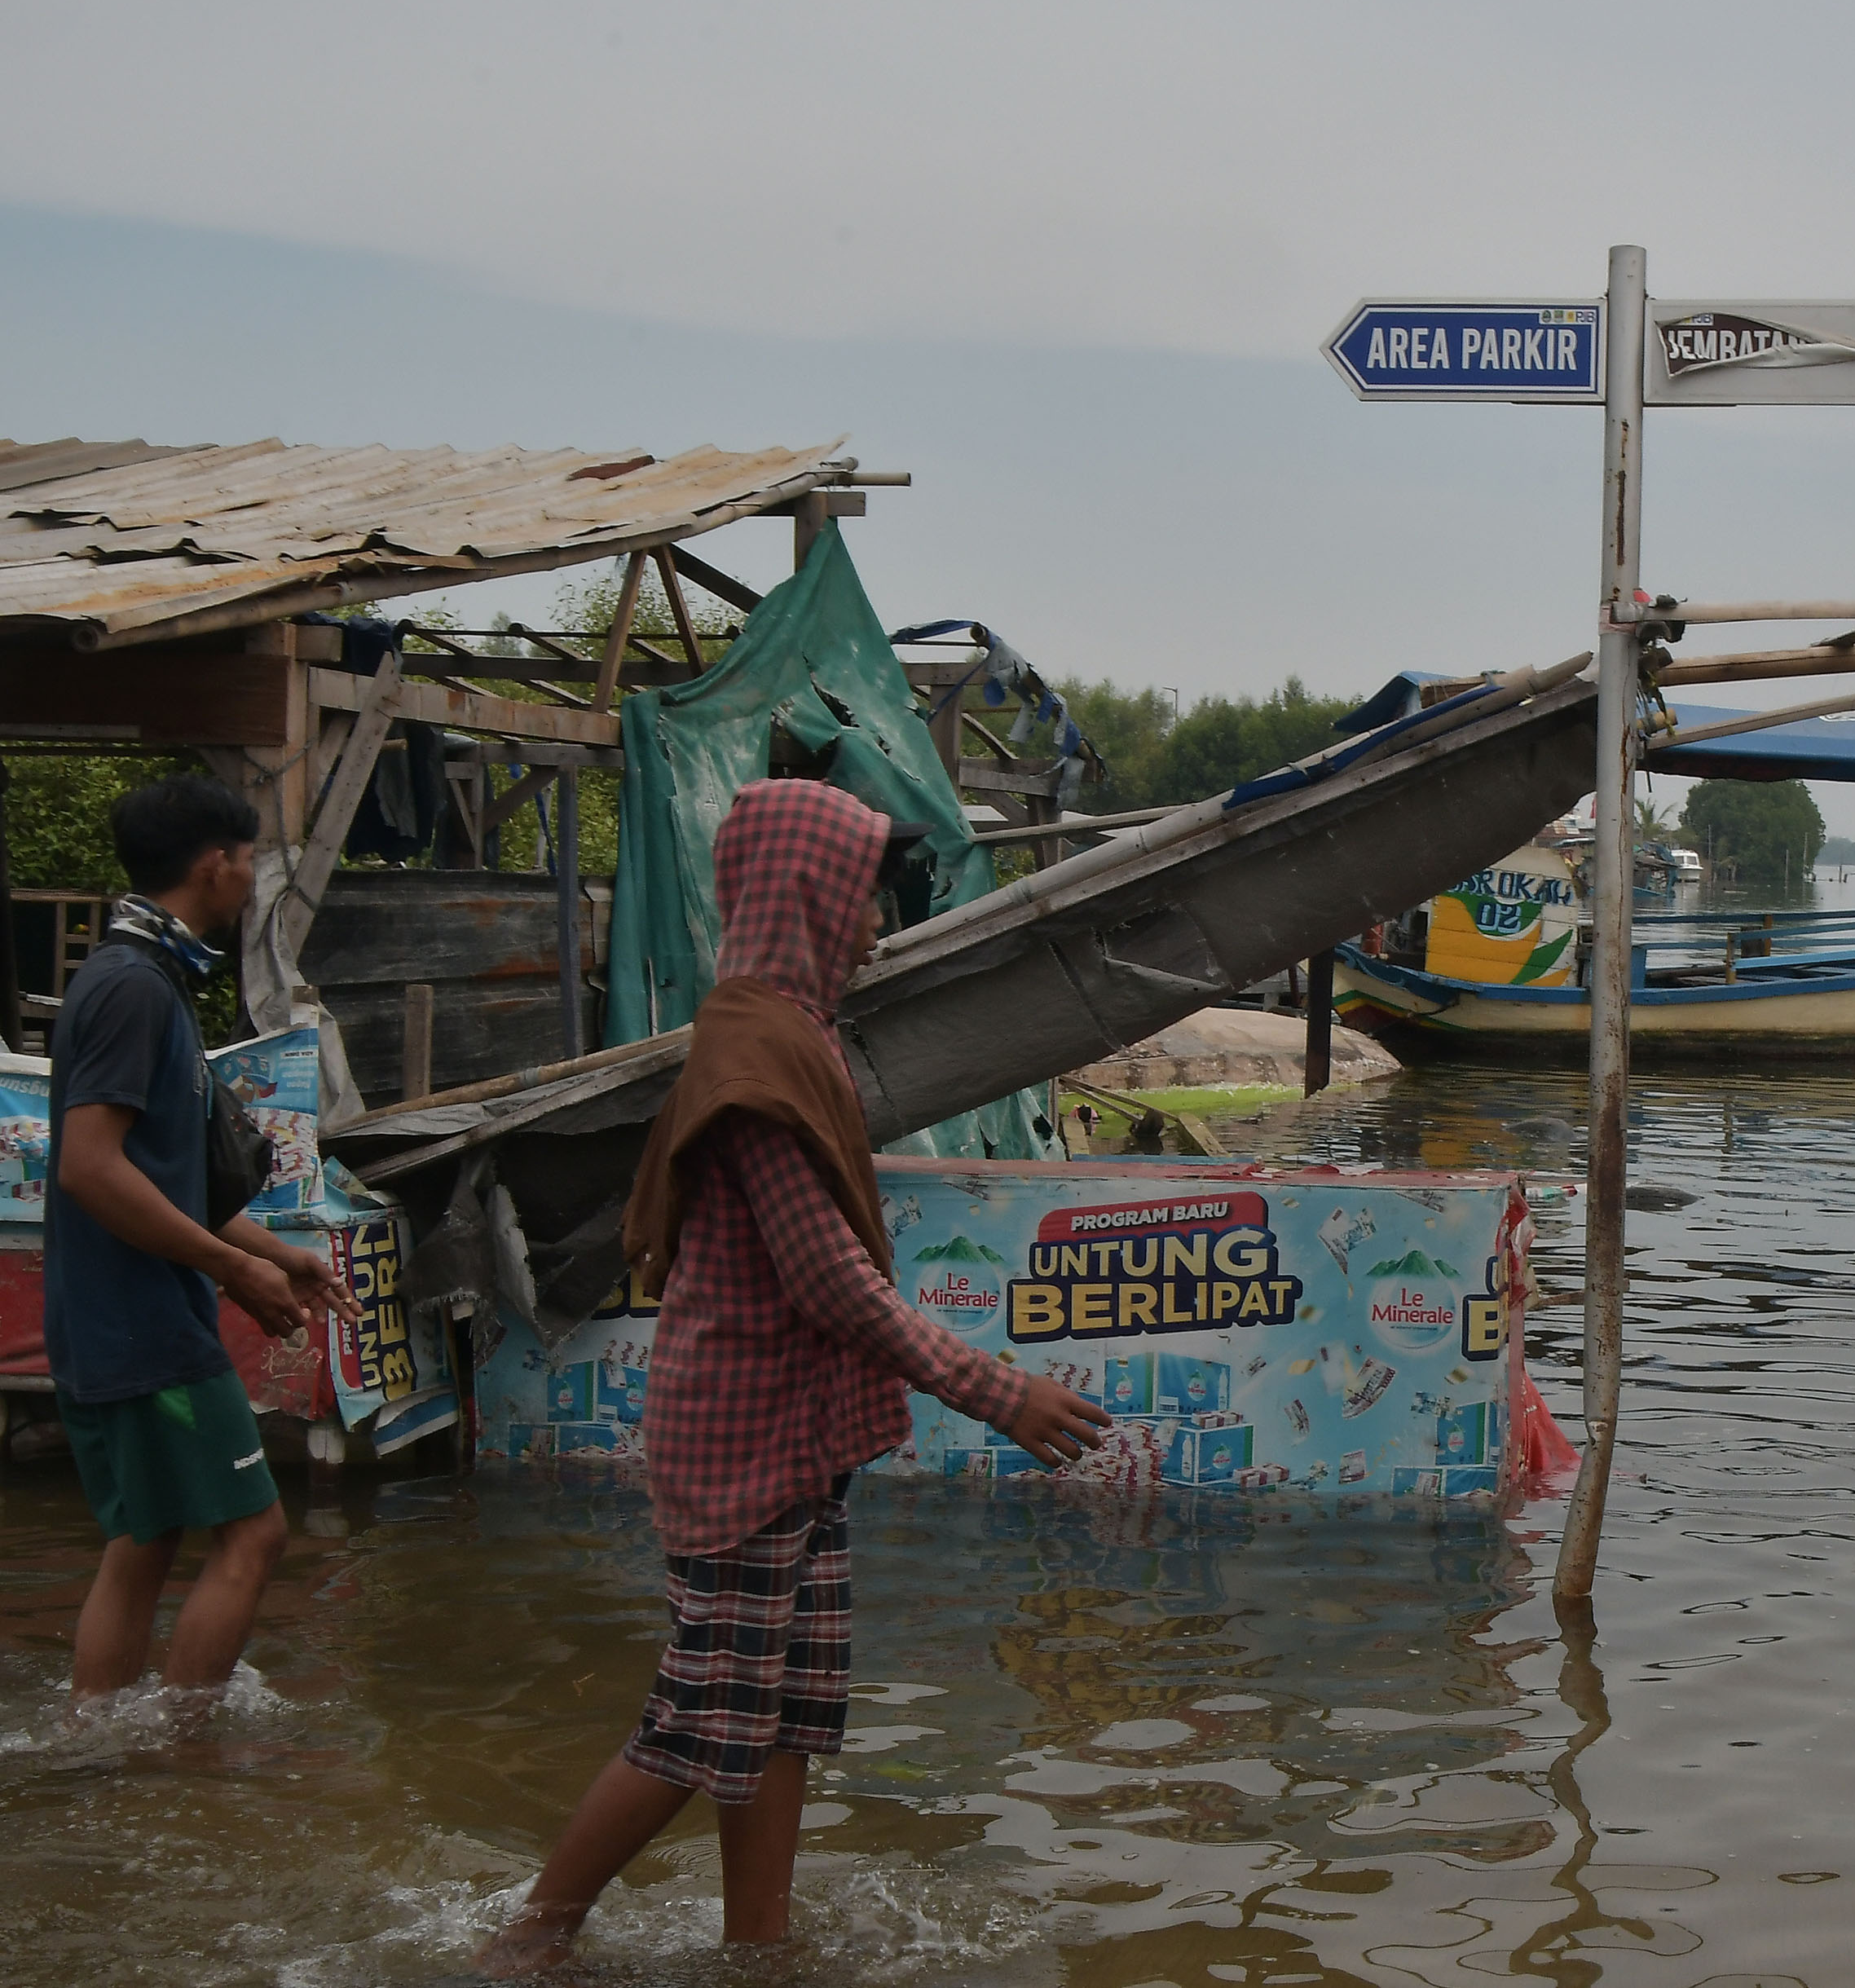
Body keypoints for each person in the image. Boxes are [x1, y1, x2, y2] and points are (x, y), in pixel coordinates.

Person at [478, 780, 1108, 1975]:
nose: (876, 921)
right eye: (865, 893)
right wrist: (1000, 1392)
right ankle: (530, 1939)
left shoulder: (790, 1030)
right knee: (693, 1724)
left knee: (778, 1716)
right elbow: (829, 1283)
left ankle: (757, 1944)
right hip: (743, 1442)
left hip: (792, 1436)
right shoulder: (758, 1057)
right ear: (812, 895)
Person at [50, 774, 359, 1701]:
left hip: (124, 1318)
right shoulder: (133, 991)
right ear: (214, 864)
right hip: (143, 1331)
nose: (252, 883)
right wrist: (234, 1269)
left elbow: (155, 1177)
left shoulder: (143, 982)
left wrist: (269, 1253)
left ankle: (104, 1748)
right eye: (250, 862)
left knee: (145, 1540)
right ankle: (185, 1752)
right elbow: (89, 1167)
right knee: (254, 1533)